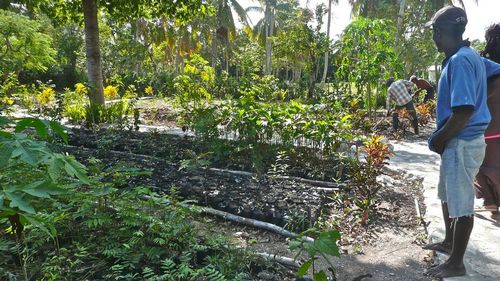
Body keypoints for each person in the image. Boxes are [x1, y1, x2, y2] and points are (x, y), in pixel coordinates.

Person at [423, 6, 490, 278]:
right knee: (447, 194)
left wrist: (439, 138)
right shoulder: (469, 56)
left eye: (433, 33)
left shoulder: (461, 60)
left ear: (439, 33)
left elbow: (463, 111)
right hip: (458, 141)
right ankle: (450, 242)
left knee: (461, 202)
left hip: (461, 141)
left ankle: (456, 262)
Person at [475, 23, 500, 218]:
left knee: (482, 167)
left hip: (486, 126)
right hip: (491, 126)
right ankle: (493, 202)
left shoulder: (482, 63)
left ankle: (491, 202)